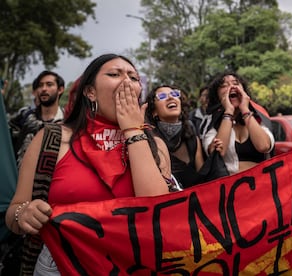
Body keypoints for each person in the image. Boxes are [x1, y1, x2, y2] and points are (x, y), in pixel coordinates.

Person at [5, 54, 176, 275]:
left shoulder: (155, 144)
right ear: (90, 92)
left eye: (133, 78)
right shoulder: (52, 139)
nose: (126, 81)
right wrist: (24, 214)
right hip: (61, 265)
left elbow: (158, 212)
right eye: (114, 74)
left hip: (134, 264)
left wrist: (133, 131)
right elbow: (13, 211)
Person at [200, 71, 274, 175]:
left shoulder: (259, 116)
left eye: (235, 83)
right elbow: (218, 153)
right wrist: (229, 111)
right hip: (229, 187)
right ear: (217, 95)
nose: (231, 87)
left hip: (261, 183)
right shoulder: (210, 121)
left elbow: (264, 146)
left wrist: (244, 109)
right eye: (224, 85)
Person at [145, 85, 205, 188]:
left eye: (175, 94)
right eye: (162, 96)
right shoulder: (148, 141)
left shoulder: (193, 140)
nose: (170, 97)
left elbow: (202, 181)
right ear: (154, 111)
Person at [9, 70, 65, 168]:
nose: (43, 89)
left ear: (60, 90)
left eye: (49, 85)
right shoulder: (24, 118)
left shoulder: (69, 121)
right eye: (40, 85)